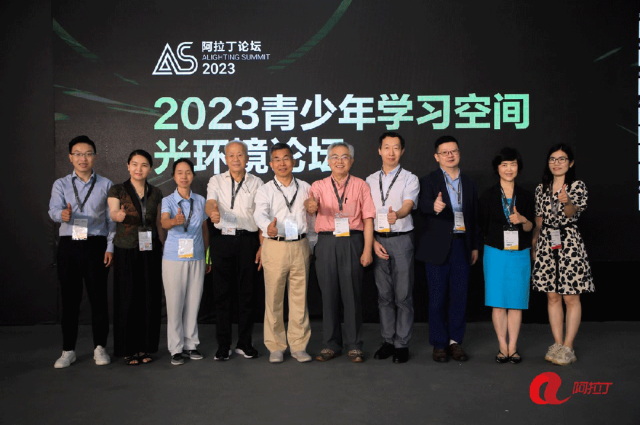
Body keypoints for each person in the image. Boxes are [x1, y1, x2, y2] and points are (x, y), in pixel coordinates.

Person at [305, 141, 375, 363]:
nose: (339, 161)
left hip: (353, 241)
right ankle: (330, 345)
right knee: (328, 295)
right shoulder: (318, 185)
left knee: (352, 295)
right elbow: (311, 205)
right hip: (326, 242)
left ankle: (354, 345)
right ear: (328, 161)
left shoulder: (361, 185)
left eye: (345, 157)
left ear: (351, 161)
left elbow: (368, 218)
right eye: (334, 157)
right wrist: (311, 206)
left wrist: (367, 249)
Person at [48, 135, 114, 368]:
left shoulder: (106, 184)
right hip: (69, 245)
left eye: (87, 154)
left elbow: (111, 220)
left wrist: (110, 246)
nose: (82, 158)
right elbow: (53, 210)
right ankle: (68, 350)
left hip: (96, 245)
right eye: (78, 154)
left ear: (94, 157)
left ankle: (100, 347)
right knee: (70, 300)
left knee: (99, 300)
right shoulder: (61, 184)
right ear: (70, 157)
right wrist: (62, 215)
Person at [416, 135, 480, 363]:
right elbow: (420, 206)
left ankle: (455, 341)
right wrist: (433, 206)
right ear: (437, 157)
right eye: (445, 152)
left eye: (454, 151)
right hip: (437, 247)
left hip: (462, 245)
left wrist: (474, 246)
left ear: (459, 153)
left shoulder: (469, 183)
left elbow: (474, 217)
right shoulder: (428, 180)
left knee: (459, 296)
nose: (450, 155)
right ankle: (439, 343)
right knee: (437, 298)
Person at [532, 143, 594, 366]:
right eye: (553, 159)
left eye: (561, 159)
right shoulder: (541, 188)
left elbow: (571, 212)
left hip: (569, 242)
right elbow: (539, 220)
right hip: (547, 242)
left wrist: (567, 201)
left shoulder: (577, 186)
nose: (556, 163)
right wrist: (535, 245)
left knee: (571, 297)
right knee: (552, 296)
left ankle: (568, 346)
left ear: (570, 163)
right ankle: (557, 343)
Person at [253, 143, 313, 363]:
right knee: (274, 298)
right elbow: (259, 213)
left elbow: (312, 218)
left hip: (300, 245)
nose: (282, 163)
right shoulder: (266, 189)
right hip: (275, 245)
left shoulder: (306, 187)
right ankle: (276, 346)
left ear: (293, 161)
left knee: (300, 297)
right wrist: (267, 227)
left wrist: (311, 245)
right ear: (271, 164)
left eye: (286, 158)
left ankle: (299, 345)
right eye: (277, 159)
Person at [205, 139, 263, 361]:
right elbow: (210, 202)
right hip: (222, 241)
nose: (235, 159)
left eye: (240, 155)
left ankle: (245, 343)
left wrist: (262, 245)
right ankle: (223, 345)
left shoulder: (257, 182)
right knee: (222, 294)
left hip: (247, 241)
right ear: (225, 158)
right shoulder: (216, 180)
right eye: (231, 155)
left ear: (247, 158)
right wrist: (212, 212)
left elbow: (261, 216)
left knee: (247, 294)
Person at [365, 132, 419, 364]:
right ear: (379, 151)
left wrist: (397, 214)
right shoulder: (369, 180)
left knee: (403, 295)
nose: (391, 152)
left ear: (402, 151)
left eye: (396, 147)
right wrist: (372, 242)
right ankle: (388, 340)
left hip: (401, 240)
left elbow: (408, 205)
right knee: (384, 295)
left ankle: (402, 343)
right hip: (377, 240)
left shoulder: (410, 178)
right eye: (387, 147)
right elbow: (366, 215)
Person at [479, 147, 534, 364]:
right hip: (495, 253)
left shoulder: (526, 196)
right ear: (497, 168)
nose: (509, 169)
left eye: (513, 164)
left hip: (520, 254)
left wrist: (523, 220)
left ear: (518, 167)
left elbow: (530, 227)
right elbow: (482, 226)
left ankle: (513, 346)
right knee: (498, 302)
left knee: (516, 301)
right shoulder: (488, 195)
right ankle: (503, 346)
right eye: (504, 165)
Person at [108, 149, 163, 365]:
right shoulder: (117, 189)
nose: (139, 169)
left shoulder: (156, 192)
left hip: (150, 250)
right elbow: (113, 212)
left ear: (150, 169)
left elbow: (158, 223)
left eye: (144, 165)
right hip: (126, 249)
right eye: (135, 164)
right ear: (128, 166)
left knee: (148, 298)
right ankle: (128, 348)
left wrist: (164, 245)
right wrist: (118, 215)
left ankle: (145, 347)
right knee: (127, 298)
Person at [160, 159, 211, 365]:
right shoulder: (168, 200)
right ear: (174, 176)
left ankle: (191, 344)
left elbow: (205, 230)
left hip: (197, 256)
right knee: (175, 303)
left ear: (193, 176)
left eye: (188, 172)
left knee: (193, 302)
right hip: (174, 258)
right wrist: (174, 221)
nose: (184, 176)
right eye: (180, 172)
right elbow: (164, 222)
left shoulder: (200, 200)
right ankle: (175, 348)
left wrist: (207, 256)